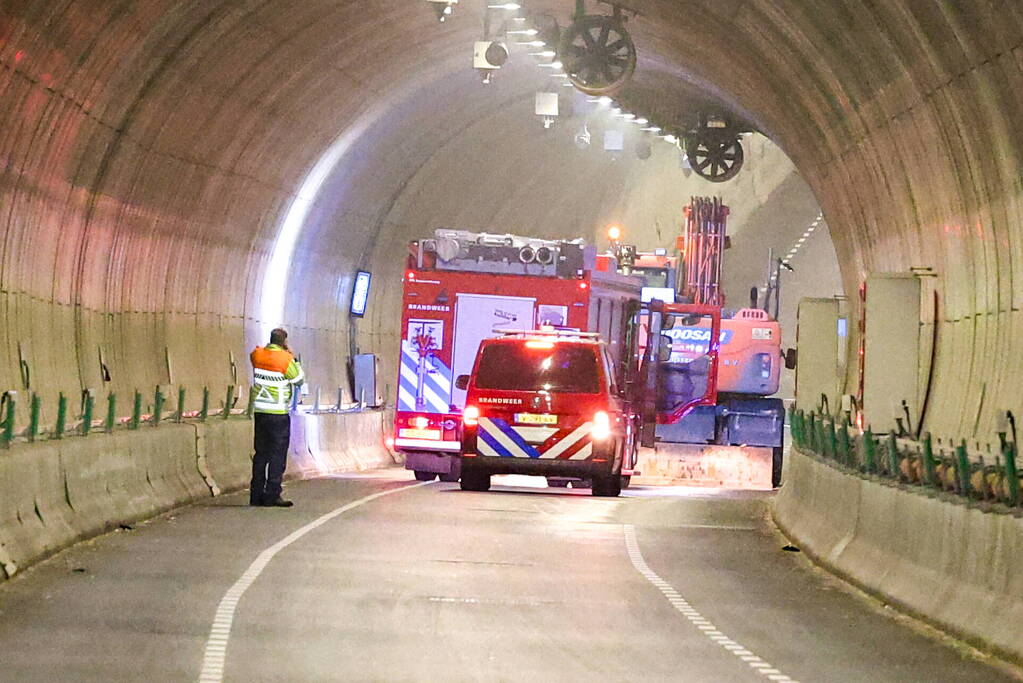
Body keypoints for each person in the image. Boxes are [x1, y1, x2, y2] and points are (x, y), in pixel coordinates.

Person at [249, 328, 305, 507]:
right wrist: (292, 357)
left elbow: (256, 354)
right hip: (278, 413)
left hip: (260, 411)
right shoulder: (285, 359)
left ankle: (256, 495)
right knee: (277, 455)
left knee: (261, 454)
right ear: (284, 342)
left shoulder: (257, 355)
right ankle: (272, 495)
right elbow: (299, 380)